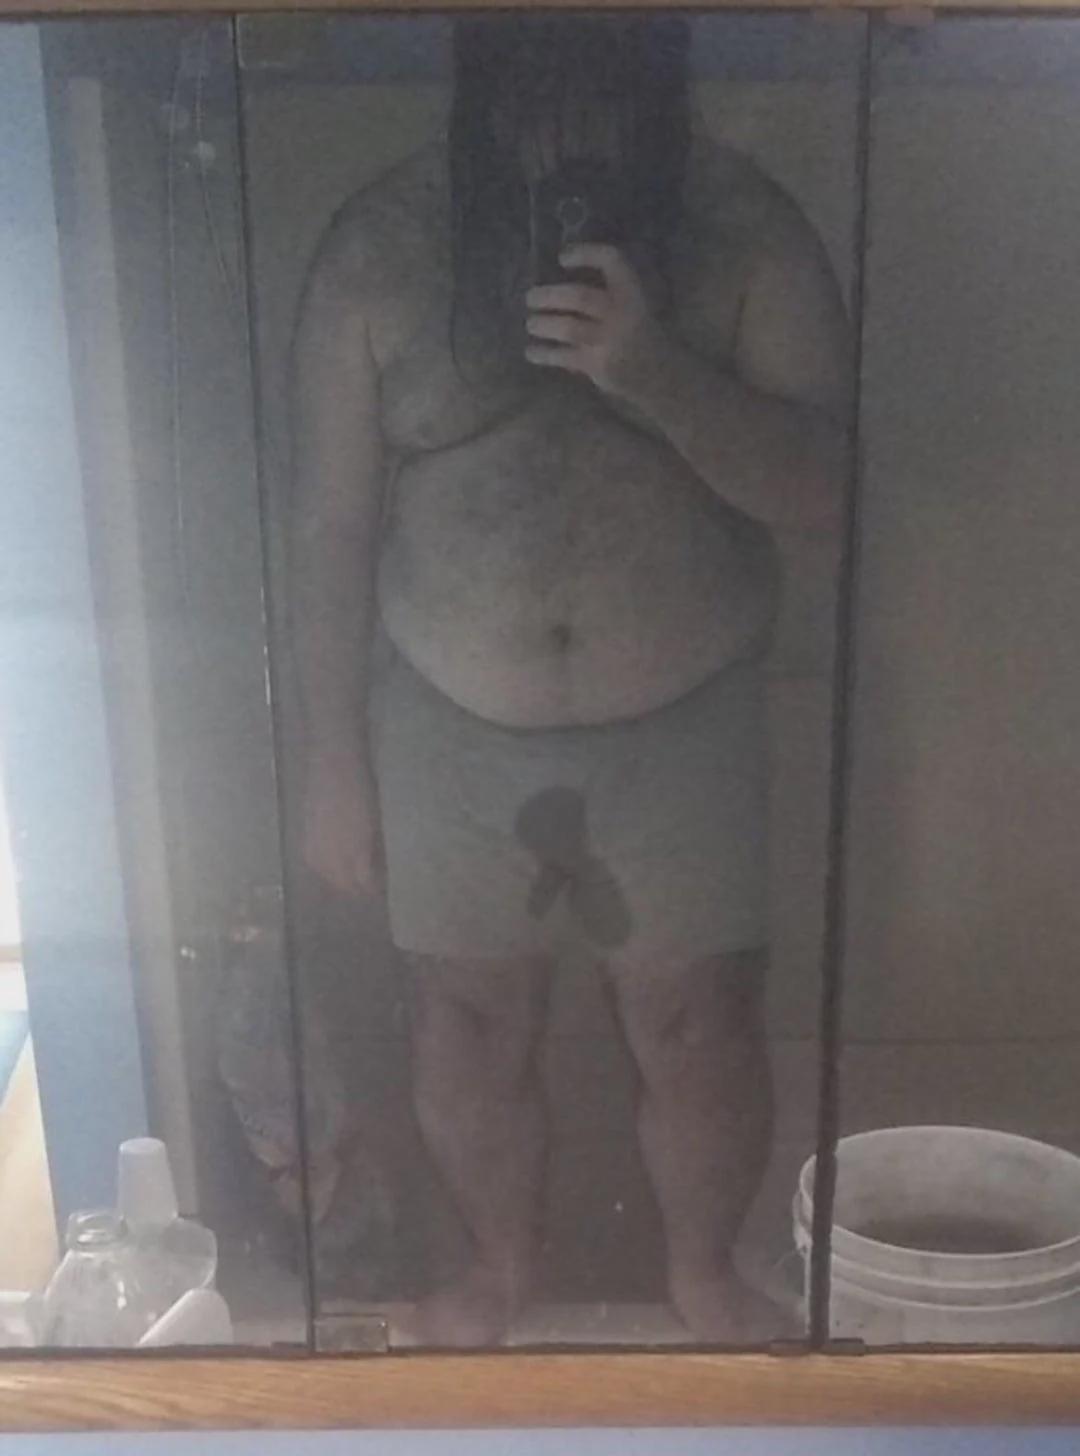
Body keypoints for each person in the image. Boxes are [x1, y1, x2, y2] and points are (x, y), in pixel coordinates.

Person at [291, 15, 849, 1346]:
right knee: (465, 1020)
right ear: (477, 86)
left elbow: (830, 491)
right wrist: (328, 759)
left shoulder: (743, 230)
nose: (564, 132)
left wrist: (652, 372)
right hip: (441, 714)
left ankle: (704, 1272)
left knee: (699, 1023)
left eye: (600, 93)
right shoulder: (380, 246)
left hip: (686, 710)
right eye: (531, 92)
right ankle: (498, 1272)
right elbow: (328, 527)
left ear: (658, 85)